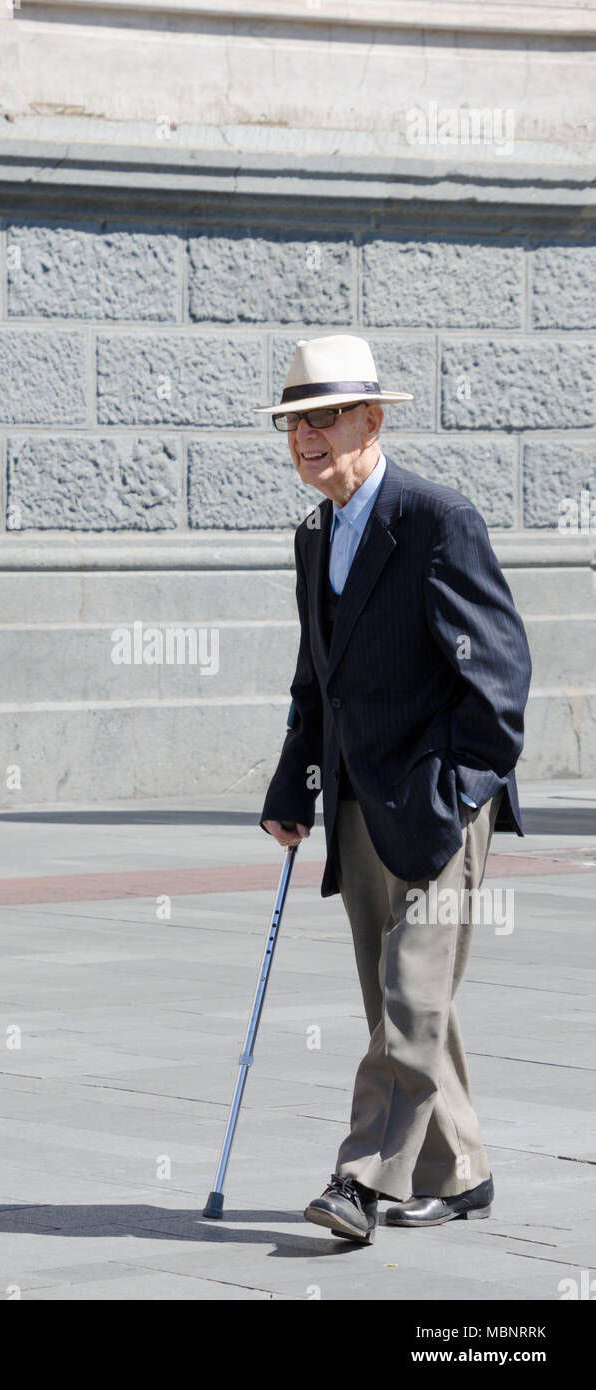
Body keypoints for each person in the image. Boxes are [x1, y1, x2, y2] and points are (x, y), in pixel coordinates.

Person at [257, 335, 532, 1244]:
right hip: (355, 801)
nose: (308, 437)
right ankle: (458, 1172)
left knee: (410, 996)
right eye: (296, 421)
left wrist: (455, 793)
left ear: (374, 419)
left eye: (326, 417)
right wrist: (295, 787)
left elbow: (496, 675)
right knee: (397, 1003)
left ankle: (362, 1180)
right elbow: (316, 681)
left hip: (434, 799)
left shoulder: (434, 518)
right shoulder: (314, 534)